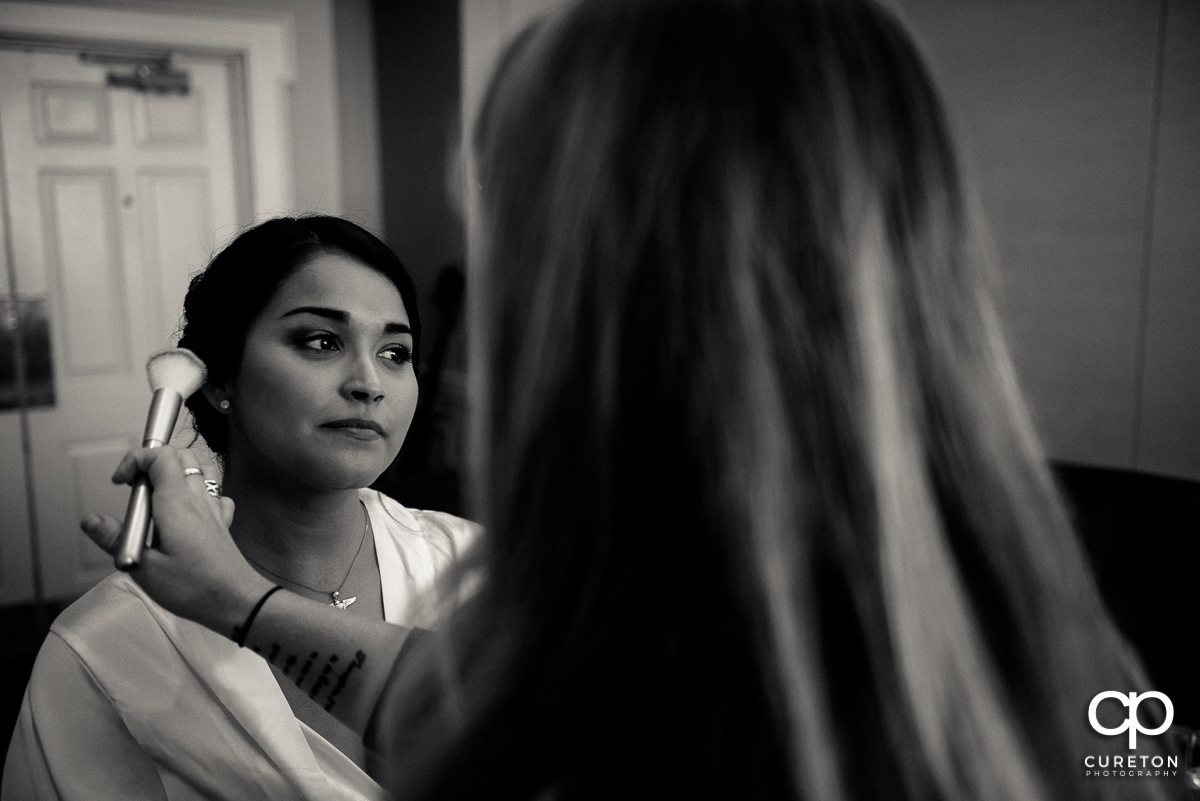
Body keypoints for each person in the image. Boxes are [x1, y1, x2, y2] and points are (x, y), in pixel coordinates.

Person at [66, 1, 1186, 799]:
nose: (414, 373)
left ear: (628, 321)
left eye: (517, 267)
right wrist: (242, 606)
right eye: (318, 340)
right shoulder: (1107, 699)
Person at [2, 216, 477, 800]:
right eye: (322, 341)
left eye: (395, 352)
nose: (369, 382)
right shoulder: (105, 648)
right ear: (218, 377)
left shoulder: (479, 566)